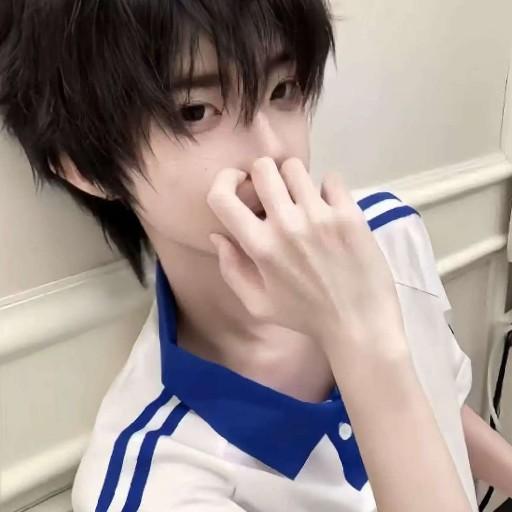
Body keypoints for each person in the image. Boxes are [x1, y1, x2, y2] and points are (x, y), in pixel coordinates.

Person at [1, 1, 511, 511]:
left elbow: (439, 408)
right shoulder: (157, 484)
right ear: (82, 165)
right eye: (196, 111)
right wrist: (360, 343)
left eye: (282, 89)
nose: (273, 151)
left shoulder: (384, 234)